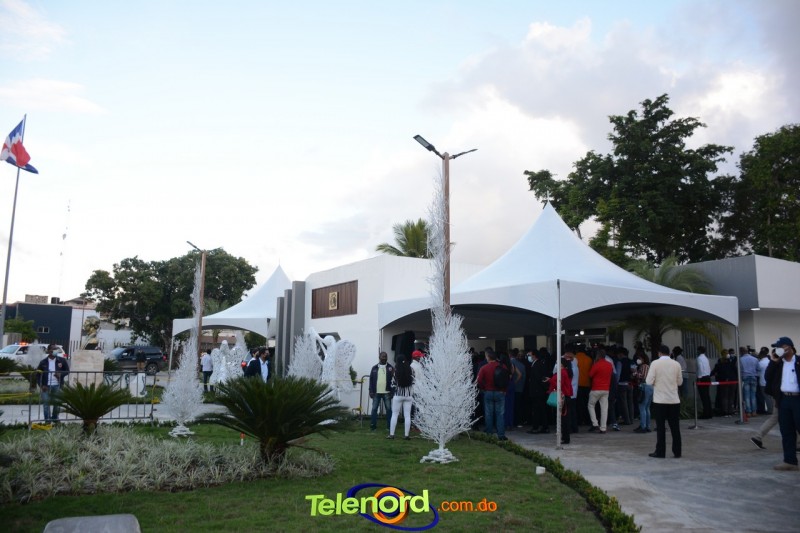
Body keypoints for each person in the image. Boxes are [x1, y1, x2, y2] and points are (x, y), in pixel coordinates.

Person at [765, 337, 800, 471]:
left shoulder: (798, 361)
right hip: (783, 399)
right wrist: (773, 362)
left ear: (788, 347)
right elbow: (767, 377)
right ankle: (790, 461)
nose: (777, 350)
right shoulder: (778, 363)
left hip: (798, 399)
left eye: (779, 347)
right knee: (786, 431)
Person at [647, 344, 683, 458]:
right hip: (674, 400)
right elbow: (680, 382)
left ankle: (660, 452)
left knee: (660, 427)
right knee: (675, 427)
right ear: (669, 353)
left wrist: (656, 382)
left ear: (659, 353)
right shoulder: (676, 364)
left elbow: (648, 381)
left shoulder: (655, 363)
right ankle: (677, 452)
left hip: (660, 400)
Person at [751, 349, 780, 450]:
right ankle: (797, 443)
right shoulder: (777, 364)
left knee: (774, 417)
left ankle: (758, 436)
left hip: (774, 391)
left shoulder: (769, 363)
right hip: (781, 395)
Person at [476, 347, 508, 440]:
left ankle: (489, 434)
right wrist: (504, 390)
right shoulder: (503, 366)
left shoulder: (484, 368)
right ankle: (501, 435)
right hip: (500, 392)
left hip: (488, 392)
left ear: (488, 357)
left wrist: (483, 388)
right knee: (500, 414)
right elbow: (507, 379)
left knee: (489, 414)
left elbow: (479, 380)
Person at [36, 344, 70, 423]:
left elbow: (67, 371)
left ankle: (55, 418)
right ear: (49, 351)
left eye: (56, 349)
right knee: (46, 404)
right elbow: (38, 375)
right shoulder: (43, 362)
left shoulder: (61, 360)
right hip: (46, 386)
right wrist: (41, 385)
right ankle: (47, 420)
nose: (55, 351)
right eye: (53, 349)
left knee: (57, 403)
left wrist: (60, 374)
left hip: (57, 385)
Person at [548, 355, 574, 445]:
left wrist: (550, 380)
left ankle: (565, 438)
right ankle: (565, 437)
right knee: (564, 418)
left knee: (564, 419)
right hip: (565, 396)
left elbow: (559, 384)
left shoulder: (562, 372)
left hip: (563, 397)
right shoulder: (565, 371)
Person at [388, 355, 414, 440]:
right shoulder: (411, 370)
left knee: (394, 414)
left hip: (398, 395)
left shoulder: (396, 371)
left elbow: (393, 384)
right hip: (408, 395)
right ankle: (406, 435)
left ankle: (392, 434)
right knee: (407, 415)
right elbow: (414, 382)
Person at [587, 349, 613, 433]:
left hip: (596, 388)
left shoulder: (597, 365)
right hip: (606, 389)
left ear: (598, 356)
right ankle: (603, 428)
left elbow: (590, 375)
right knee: (604, 408)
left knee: (591, 405)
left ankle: (595, 423)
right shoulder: (609, 364)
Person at [527, 348, 551, 434]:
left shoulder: (537, 364)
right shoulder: (537, 364)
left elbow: (538, 378)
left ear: (534, 355)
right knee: (541, 409)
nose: (529, 357)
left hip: (537, 391)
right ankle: (544, 426)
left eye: (530, 355)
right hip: (539, 391)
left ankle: (536, 427)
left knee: (537, 410)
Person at [368, 351, 394, 431]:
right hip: (376, 392)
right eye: (383, 356)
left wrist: (392, 392)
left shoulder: (390, 368)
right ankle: (373, 426)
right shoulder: (374, 368)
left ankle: (389, 427)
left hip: (387, 392)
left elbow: (394, 381)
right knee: (374, 409)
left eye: (385, 356)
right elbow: (371, 380)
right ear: (379, 357)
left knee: (389, 410)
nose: (384, 358)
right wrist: (371, 391)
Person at [634, 353, 652, 433]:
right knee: (647, 407)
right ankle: (647, 426)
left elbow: (643, 376)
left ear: (643, 359)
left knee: (642, 407)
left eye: (640, 358)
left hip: (645, 387)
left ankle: (643, 426)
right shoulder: (648, 366)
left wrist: (635, 373)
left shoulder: (644, 366)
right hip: (650, 387)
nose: (638, 360)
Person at [575, 346, 593, 426]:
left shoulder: (574, 359)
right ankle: (587, 420)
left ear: (577, 350)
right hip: (587, 384)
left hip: (577, 384)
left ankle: (579, 420)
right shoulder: (589, 359)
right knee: (587, 403)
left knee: (578, 404)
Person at [740, 347, 759, 417]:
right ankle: (754, 411)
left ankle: (748, 412)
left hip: (745, 377)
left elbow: (738, 369)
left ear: (741, 352)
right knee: (753, 395)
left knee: (747, 395)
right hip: (754, 377)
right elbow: (758, 368)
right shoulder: (755, 359)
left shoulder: (740, 359)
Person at [696, 346, 713, 419]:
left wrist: (699, 378)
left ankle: (706, 413)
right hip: (707, 377)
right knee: (707, 396)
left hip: (702, 378)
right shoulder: (706, 358)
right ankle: (709, 412)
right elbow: (708, 368)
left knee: (703, 396)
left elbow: (700, 368)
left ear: (699, 351)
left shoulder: (699, 358)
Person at [756, 347, 772, 415]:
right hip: (770, 381)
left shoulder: (760, 363)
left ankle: (770, 410)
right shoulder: (770, 362)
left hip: (763, 382)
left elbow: (758, 373)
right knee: (770, 397)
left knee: (766, 396)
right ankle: (772, 409)